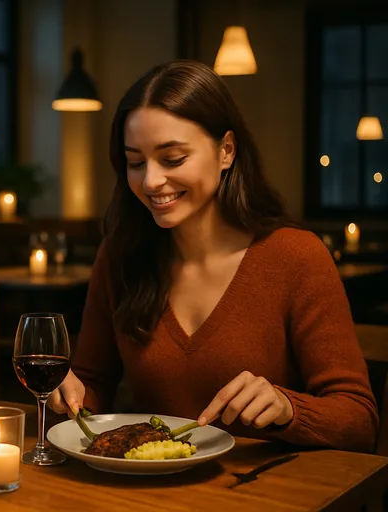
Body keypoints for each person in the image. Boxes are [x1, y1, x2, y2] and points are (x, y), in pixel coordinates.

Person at [48, 60, 377, 452]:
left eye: (172, 159)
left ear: (226, 150)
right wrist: (68, 395)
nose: (151, 180)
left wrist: (289, 408)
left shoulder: (296, 257)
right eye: (135, 162)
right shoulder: (121, 254)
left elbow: (359, 422)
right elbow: (92, 385)